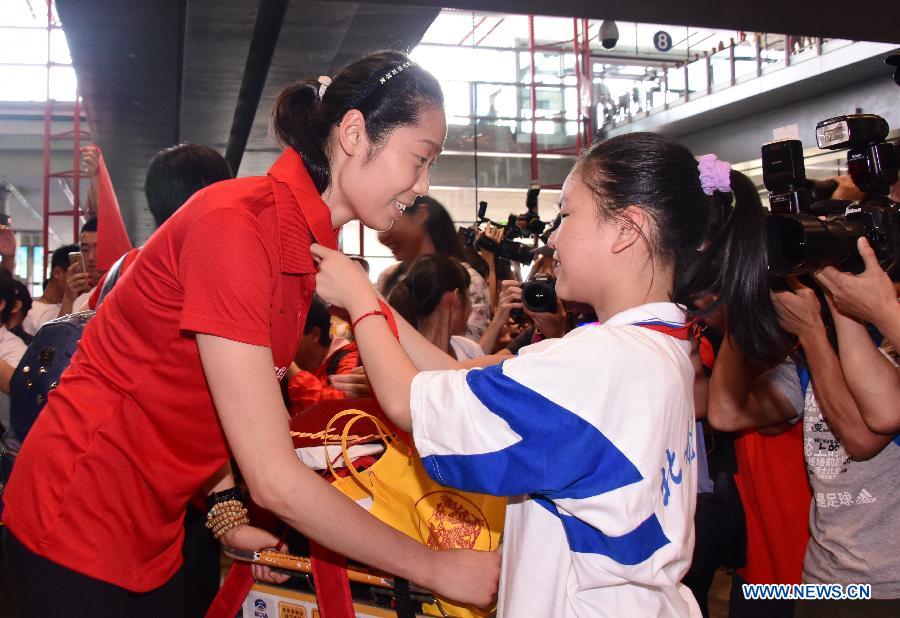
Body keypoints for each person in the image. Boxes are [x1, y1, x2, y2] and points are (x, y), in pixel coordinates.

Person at [2, 50, 498, 618]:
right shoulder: (238, 227)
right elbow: (273, 479)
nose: (423, 185)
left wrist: (223, 512)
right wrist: (433, 567)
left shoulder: (309, 246)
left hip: (154, 531)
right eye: (421, 158)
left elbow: (205, 394)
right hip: (77, 521)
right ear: (356, 132)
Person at [312, 133, 779, 617]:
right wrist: (367, 298)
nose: (553, 236)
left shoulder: (602, 364)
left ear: (626, 229)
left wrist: (361, 302)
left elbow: (408, 403)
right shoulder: (654, 349)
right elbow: (452, 376)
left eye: (568, 214)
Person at [377, 195, 492, 343]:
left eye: (390, 221)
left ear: (421, 215)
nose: (382, 236)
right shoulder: (387, 277)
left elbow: (469, 351)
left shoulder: (466, 279)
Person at [386, 254, 483, 361]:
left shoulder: (470, 350)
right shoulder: (405, 360)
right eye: (469, 296)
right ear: (456, 299)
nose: (471, 308)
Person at [22, 244, 78, 336]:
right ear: (57, 273)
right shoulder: (31, 312)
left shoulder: (81, 304)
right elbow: (57, 344)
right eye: (76, 273)